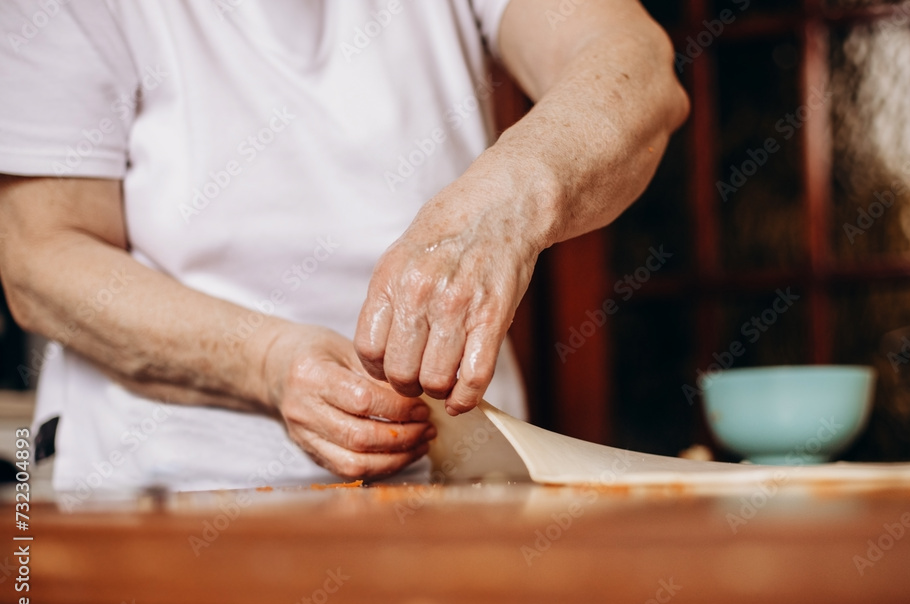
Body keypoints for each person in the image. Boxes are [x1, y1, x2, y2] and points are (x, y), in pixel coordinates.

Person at [0, 0, 689, 493]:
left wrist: (506, 201)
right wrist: (267, 361)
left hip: (469, 493)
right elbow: (38, 257)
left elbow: (635, 66)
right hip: (164, 495)